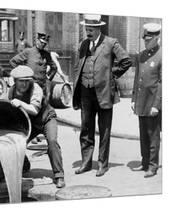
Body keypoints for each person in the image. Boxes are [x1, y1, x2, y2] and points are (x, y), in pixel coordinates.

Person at [72, 14, 132, 177]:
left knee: (104, 131)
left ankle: (102, 164)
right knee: (85, 128)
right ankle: (86, 162)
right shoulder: (83, 44)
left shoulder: (111, 43)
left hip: (104, 92)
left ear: (98, 28)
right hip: (85, 92)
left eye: (90, 29)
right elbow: (79, 66)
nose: (88, 32)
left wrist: (112, 74)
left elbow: (126, 60)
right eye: (86, 29)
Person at [8, 65, 65, 188]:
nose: (24, 84)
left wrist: (20, 103)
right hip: (31, 123)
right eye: (21, 81)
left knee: (52, 142)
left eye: (26, 81)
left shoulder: (36, 88)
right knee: (17, 142)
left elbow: (34, 110)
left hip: (46, 119)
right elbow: (4, 101)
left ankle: (59, 175)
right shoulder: (11, 91)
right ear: (15, 81)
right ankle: (25, 165)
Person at [131, 23, 162, 178]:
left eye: (148, 39)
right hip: (141, 101)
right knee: (143, 134)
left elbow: (163, 83)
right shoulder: (142, 55)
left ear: (157, 38)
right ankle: (144, 162)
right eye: (144, 39)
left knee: (153, 135)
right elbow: (137, 78)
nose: (145, 41)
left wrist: (157, 105)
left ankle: (153, 165)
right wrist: (133, 98)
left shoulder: (163, 55)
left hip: (153, 102)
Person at [10, 32, 67, 101]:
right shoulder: (28, 52)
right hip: (30, 85)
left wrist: (48, 78)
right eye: (41, 42)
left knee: (43, 104)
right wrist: (21, 75)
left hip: (43, 85)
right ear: (37, 40)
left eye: (45, 43)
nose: (43, 45)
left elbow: (54, 68)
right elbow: (13, 61)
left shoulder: (46, 54)